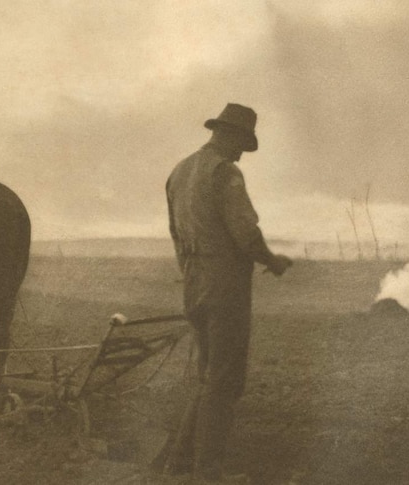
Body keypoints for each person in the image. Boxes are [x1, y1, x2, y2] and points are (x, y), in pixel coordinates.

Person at [153, 103, 293, 482]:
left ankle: (179, 464)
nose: (241, 155)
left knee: (207, 376)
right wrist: (272, 260)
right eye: (241, 145)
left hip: (194, 283)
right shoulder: (224, 173)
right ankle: (208, 473)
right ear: (228, 135)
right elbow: (245, 233)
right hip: (225, 286)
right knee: (224, 380)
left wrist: (192, 273)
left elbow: (175, 235)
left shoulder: (179, 172)